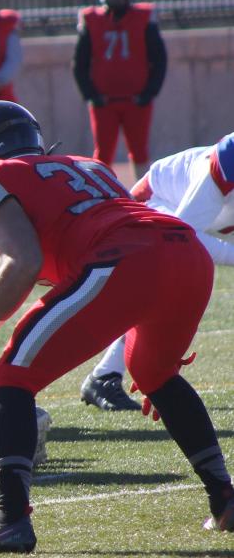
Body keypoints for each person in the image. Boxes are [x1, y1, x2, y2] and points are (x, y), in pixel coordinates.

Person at [0, 101, 233, 553]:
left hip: (127, 258)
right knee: (156, 374)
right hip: (186, 252)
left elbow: (25, 262)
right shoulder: (86, 164)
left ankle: (11, 520)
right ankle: (224, 495)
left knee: (11, 378)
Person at [80, 131, 234, 412]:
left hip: (183, 224)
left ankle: (107, 375)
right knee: (163, 288)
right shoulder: (221, 168)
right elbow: (183, 238)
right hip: (150, 208)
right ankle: (111, 375)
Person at [73, 0, 167, 182]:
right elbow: (80, 62)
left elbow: (159, 58)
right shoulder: (92, 19)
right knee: (103, 153)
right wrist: (90, 94)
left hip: (136, 100)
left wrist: (150, 92)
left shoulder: (143, 19)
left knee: (139, 151)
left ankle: (144, 196)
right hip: (104, 101)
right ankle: (102, 193)